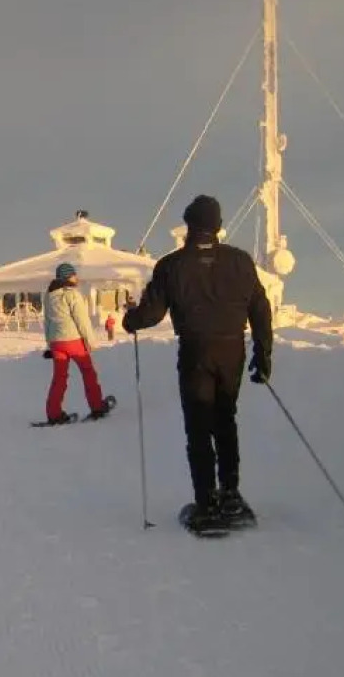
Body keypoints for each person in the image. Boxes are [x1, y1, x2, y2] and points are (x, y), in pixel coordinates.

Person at [122, 194, 273, 532]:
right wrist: (264, 354)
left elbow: (152, 314)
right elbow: (260, 309)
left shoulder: (171, 265)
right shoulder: (240, 261)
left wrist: (131, 319)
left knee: (199, 426)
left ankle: (206, 502)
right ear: (217, 226)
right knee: (225, 420)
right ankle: (231, 494)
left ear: (189, 224)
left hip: (195, 351)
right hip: (233, 349)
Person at [42, 262, 109, 424]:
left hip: (57, 342)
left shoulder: (49, 296)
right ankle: (97, 406)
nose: (76, 277)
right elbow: (82, 321)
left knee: (59, 378)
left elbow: (47, 321)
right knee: (88, 373)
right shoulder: (72, 294)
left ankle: (54, 413)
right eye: (74, 275)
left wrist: (49, 344)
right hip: (73, 341)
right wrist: (90, 342)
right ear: (68, 277)